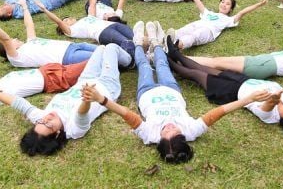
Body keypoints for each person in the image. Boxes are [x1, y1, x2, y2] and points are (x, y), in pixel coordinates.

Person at [80, 21, 272, 163]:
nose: (170, 127)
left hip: (146, 92)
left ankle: (138, 42)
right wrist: (249, 98)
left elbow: (125, 113)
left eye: (166, 132)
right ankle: (156, 43)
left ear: (160, 140)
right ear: (183, 137)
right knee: (162, 63)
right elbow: (220, 112)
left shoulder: (149, 135)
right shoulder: (192, 130)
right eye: (175, 131)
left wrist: (101, 99)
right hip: (172, 90)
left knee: (143, 65)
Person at [0, 44, 130, 156]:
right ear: (58, 133)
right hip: (107, 88)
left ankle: (120, 60)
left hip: (85, 80)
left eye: (40, 122)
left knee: (101, 49)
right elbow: (82, 114)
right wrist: (87, 99)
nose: (46, 118)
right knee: (110, 48)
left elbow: (17, 102)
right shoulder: (74, 130)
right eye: (48, 125)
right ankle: (130, 61)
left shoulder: (42, 118)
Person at [34, 0, 137, 61]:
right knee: (127, 43)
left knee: (137, 38)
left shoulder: (87, 18)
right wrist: (45, 10)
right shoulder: (71, 31)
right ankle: (137, 60)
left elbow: (93, 2)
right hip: (103, 33)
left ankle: (147, 50)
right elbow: (58, 22)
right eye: (66, 21)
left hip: (113, 24)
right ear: (64, 30)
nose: (68, 19)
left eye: (67, 18)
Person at [0, 1, 97, 68]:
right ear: (10, 48)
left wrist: (25, 7)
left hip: (73, 46)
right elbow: (5, 39)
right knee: (103, 57)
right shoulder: (16, 57)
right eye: (13, 40)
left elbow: (29, 25)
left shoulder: (30, 42)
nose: (15, 38)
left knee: (107, 50)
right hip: (67, 57)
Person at [171, 0, 268, 49]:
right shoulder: (208, 13)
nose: (224, 5)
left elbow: (242, 12)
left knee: (194, 36)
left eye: (228, 4)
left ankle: (174, 47)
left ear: (230, 9)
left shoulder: (229, 20)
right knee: (183, 30)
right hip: (198, 24)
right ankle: (166, 39)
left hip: (208, 31)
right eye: (223, 2)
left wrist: (259, 4)